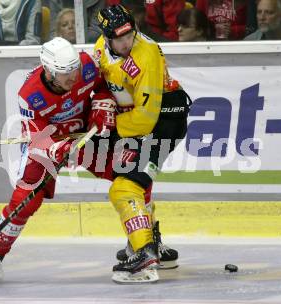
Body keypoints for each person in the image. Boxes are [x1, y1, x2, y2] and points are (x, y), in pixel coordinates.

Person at [0, 37, 120, 284]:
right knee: (26, 200)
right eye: (65, 74)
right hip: (50, 143)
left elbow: (105, 86)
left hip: (85, 135)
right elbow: (37, 138)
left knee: (129, 175)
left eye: (74, 70)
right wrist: (56, 148)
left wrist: (101, 105)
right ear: (49, 72)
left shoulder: (85, 65)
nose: (73, 77)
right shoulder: (29, 95)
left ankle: (146, 241)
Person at [94, 5, 191, 283]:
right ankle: (153, 243)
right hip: (137, 119)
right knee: (140, 184)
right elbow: (103, 84)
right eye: (118, 38)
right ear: (106, 36)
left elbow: (145, 120)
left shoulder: (145, 55)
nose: (126, 43)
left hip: (165, 122)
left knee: (127, 186)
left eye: (129, 35)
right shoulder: (101, 47)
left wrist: (108, 128)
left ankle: (144, 253)